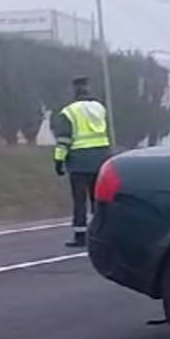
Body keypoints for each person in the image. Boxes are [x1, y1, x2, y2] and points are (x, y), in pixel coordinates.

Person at [51, 76, 111, 248]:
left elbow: (64, 139)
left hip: (78, 162)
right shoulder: (100, 108)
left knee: (79, 200)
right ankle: (101, 232)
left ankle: (80, 235)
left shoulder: (69, 112)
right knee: (98, 199)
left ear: (74, 91)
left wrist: (58, 160)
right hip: (101, 159)